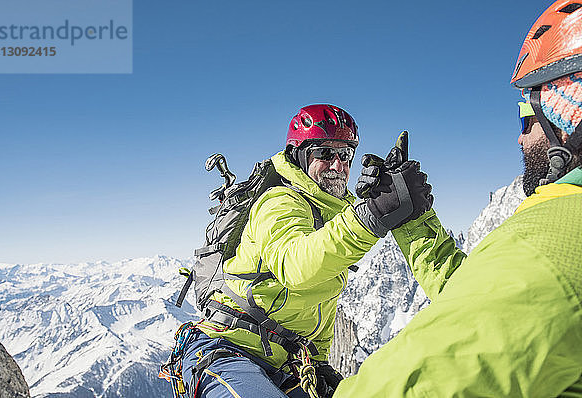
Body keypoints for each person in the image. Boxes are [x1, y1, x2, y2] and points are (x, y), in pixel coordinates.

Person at [334, 1, 582, 397]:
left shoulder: (552, 243)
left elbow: (414, 386)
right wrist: (412, 220)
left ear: (568, 110)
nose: (520, 136)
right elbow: (484, 302)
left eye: (526, 114)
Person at [177, 104, 432, 397]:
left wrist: (320, 361)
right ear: (300, 155)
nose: (338, 165)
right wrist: (371, 215)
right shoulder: (279, 202)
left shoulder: (334, 216)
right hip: (228, 350)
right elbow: (296, 266)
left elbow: (320, 307)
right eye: (324, 153)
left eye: (345, 154)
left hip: (285, 362)